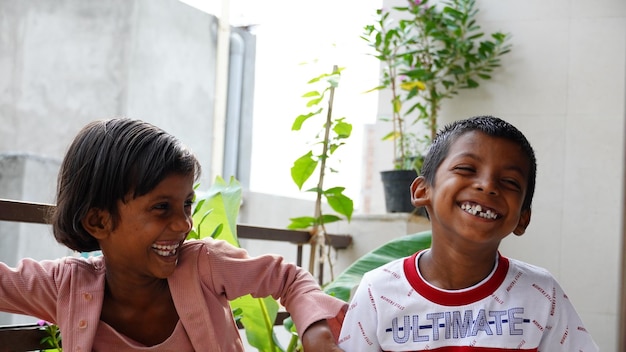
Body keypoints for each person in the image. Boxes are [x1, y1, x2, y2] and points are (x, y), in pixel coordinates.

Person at [0, 118, 346, 351]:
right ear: (98, 222)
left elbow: (288, 278)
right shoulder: (65, 285)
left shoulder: (205, 265)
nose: (184, 224)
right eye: (162, 207)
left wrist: (315, 330)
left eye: (187, 204)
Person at [337, 115, 598, 351]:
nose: (487, 186)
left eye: (509, 182)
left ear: (523, 218)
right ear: (422, 190)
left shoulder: (542, 294)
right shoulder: (378, 290)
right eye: (466, 169)